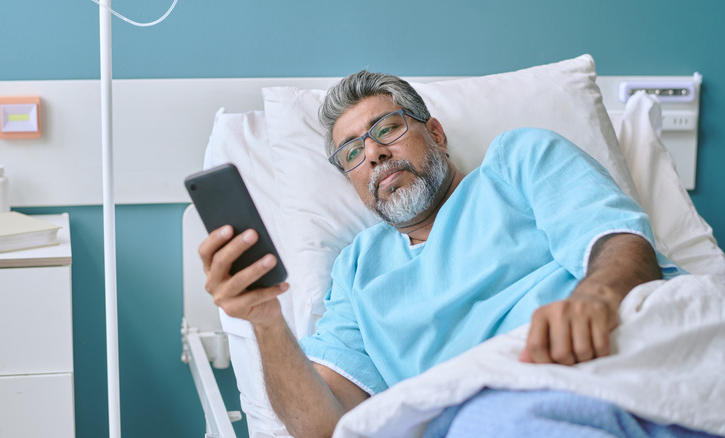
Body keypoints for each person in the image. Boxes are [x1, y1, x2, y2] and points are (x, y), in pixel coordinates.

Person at [198, 71, 672, 437]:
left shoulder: (516, 161)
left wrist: (596, 297)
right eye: (352, 154)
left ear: (437, 135)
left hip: (618, 356)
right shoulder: (358, 271)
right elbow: (324, 426)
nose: (374, 154)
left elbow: (618, 241)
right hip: (495, 416)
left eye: (387, 128)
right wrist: (265, 321)